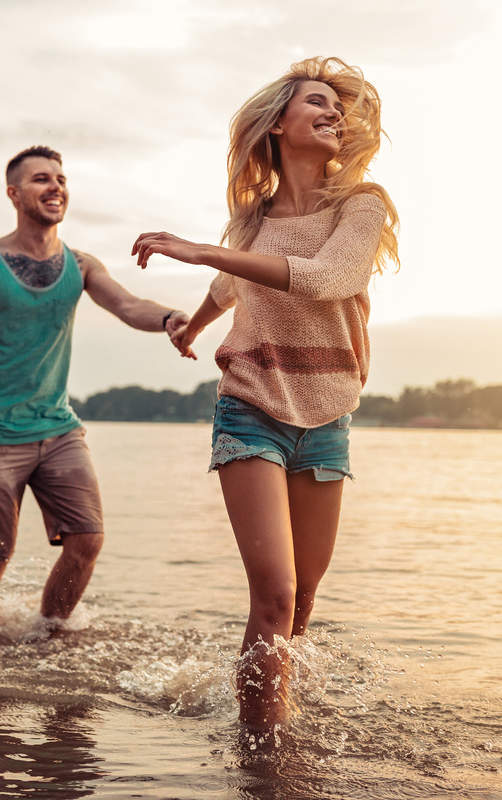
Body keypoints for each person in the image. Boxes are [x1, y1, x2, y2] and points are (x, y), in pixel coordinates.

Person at [132, 57, 399, 728]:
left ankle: (273, 722)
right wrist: (193, 323)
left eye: (338, 106)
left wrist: (205, 251)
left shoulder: (362, 205)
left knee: (304, 599)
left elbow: (325, 276)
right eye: (316, 101)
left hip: (327, 415)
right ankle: (264, 757)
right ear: (279, 122)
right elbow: (234, 286)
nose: (333, 112)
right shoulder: (251, 223)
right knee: (275, 595)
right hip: (250, 409)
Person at [0, 145, 188, 637]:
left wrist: (169, 319)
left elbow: (128, 307)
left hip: (59, 430)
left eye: (61, 179)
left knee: (87, 539)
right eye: (42, 179)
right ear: (14, 194)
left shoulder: (80, 265)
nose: (55, 187)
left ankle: (50, 635)